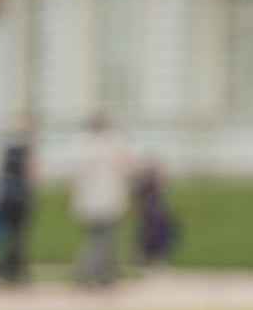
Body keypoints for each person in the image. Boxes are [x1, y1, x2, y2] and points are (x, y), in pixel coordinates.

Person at [69, 116, 132, 289]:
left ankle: (101, 270)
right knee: (101, 237)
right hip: (103, 198)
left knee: (98, 236)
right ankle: (92, 270)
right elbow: (124, 167)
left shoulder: (84, 145)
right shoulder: (110, 144)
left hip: (94, 198)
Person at [0, 126, 34, 286]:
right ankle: (2, 269)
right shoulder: (26, 151)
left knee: (11, 237)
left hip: (6, 199)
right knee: (16, 237)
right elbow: (30, 173)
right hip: (20, 199)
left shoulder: (7, 151)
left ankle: (16, 272)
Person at [131, 161, 177, 267]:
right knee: (147, 234)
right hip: (149, 215)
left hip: (157, 216)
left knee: (159, 235)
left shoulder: (157, 187)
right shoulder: (145, 186)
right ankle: (146, 256)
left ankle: (155, 256)